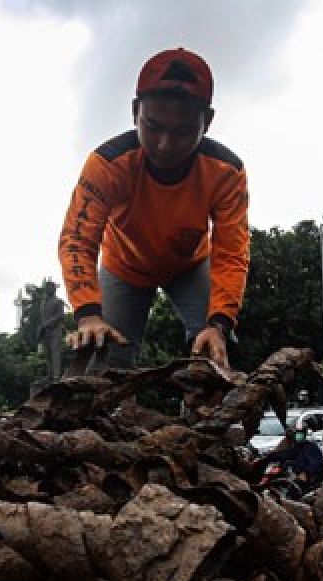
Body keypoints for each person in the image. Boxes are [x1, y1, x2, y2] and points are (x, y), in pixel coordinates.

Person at [58, 47, 249, 370]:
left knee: (215, 356)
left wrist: (219, 323)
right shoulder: (106, 164)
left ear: (208, 122)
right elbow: (78, 242)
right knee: (103, 358)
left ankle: (206, 412)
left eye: (183, 131)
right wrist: (88, 314)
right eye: (153, 126)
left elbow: (232, 252)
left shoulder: (226, 172)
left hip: (190, 266)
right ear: (135, 113)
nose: (165, 144)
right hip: (123, 267)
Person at [256, 418, 323, 489]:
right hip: (294, 478)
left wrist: (305, 473)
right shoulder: (296, 447)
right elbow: (285, 454)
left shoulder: (310, 447)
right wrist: (268, 457)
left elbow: (315, 465)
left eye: (299, 434)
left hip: (307, 482)